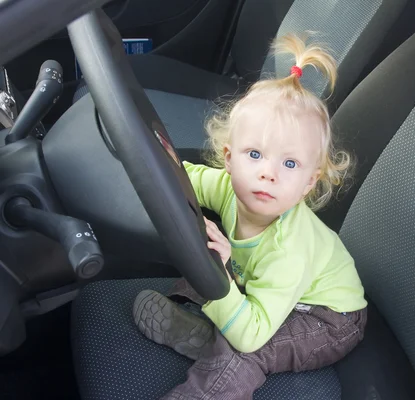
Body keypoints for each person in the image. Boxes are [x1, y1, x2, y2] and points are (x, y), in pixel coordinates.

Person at [132, 33, 368, 400]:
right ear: (229, 158)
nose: (268, 173)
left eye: (289, 163)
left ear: (310, 181)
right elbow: (185, 179)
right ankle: (206, 335)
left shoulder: (288, 249)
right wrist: (148, 166)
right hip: (268, 286)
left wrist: (223, 276)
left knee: (248, 350)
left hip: (326, 318)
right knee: (200, 269)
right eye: (255, 154)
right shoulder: (229, 186)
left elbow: (251, 334)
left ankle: (203, 380)